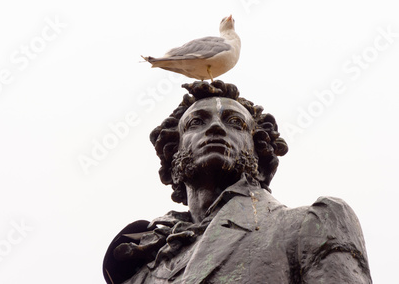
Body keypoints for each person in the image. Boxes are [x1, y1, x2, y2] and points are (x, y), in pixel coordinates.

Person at [103, 81, 371, 284]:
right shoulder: (141, 273)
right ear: (174, 163)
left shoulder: (312, 223)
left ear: (259, 157)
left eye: (235, 123)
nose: (217, 128)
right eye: (197, 122)